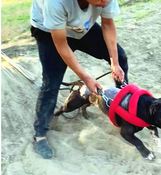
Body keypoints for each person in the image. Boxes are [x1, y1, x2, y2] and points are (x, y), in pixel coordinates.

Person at [30, 0, 129, 159]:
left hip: (81, 27)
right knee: (51, 83)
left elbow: (108, 24)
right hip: (49, 30)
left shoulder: (105, 0)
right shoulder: (55, 2)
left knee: (120, 57)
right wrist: (86, 77)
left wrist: (114, 62)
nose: (105, 2)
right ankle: (40, 135)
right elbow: (62, 45)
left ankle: (123, 110)